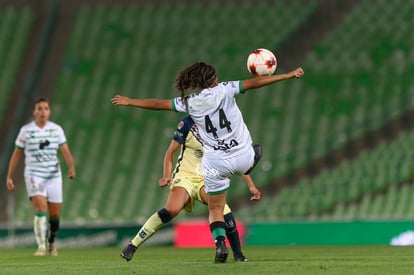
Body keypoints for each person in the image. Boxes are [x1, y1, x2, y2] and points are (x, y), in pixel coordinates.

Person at [112, 62, 304, 263]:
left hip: (211, 169)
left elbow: (159, 104)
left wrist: (130, 101)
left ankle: (235, 252)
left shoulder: (190, 103)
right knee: (180, 209)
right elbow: (255, 83)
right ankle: (133, 245)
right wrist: (286, 76)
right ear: (214, 80)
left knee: (220, 209)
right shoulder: (222, 92)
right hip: (195, 173)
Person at [120, 115, 260, 262]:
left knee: (223, 210)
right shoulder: (188, 122)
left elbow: (234, 161)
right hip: (185, 175)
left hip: (208, 177)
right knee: (171, 210)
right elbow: (170, 152)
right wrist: (166, 175)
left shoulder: (222, 128)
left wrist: (251, 185)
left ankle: (234, 253)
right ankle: (132, 245)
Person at [6, 97, 76, 256]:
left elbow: (65, 150)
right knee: (40, 207)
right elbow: (17, 154)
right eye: (39, 108)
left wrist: (71, 167)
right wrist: (9, 176)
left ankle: (51, 242)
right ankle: (41, 246)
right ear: (34, 112)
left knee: (55, 215)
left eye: (45, 108)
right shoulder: (26, 130)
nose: (42, 111)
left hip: (53, 175)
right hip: (34, 173)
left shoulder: (56, 129)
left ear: (49, 112)